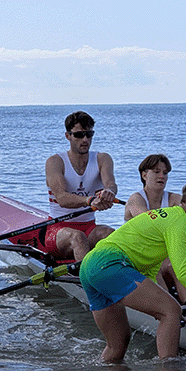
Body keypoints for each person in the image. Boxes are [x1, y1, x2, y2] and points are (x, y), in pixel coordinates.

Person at [80, 173, 186, 363]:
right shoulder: (180, 222)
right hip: (109, 264)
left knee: (117, 346)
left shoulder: (166, 217)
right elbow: (183, 272)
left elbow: (149, 270)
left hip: (89, 267)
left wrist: (165, 311)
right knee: (172, 311)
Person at [43, 111, 118, 262]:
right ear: (68, 136)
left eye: (89, 134)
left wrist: (109, 193)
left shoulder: (103, 159)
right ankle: (84, 282)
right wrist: (90, 201)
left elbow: (110, 183)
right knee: (78, 238)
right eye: (79, 135)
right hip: (57, 230)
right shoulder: (55, 162)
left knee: (113, 235)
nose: (85, 139)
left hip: (89, 227)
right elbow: (62, 198)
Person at [123, 154, 186, 306]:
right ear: (144, 175)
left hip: (165, 261)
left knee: (174, 263)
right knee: (169, 263)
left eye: (165, 173)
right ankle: (168, 307)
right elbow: (148, 221)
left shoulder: (174, 199)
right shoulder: (135, 199)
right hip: (139, 261)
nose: (162, 176)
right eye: (156, 171)